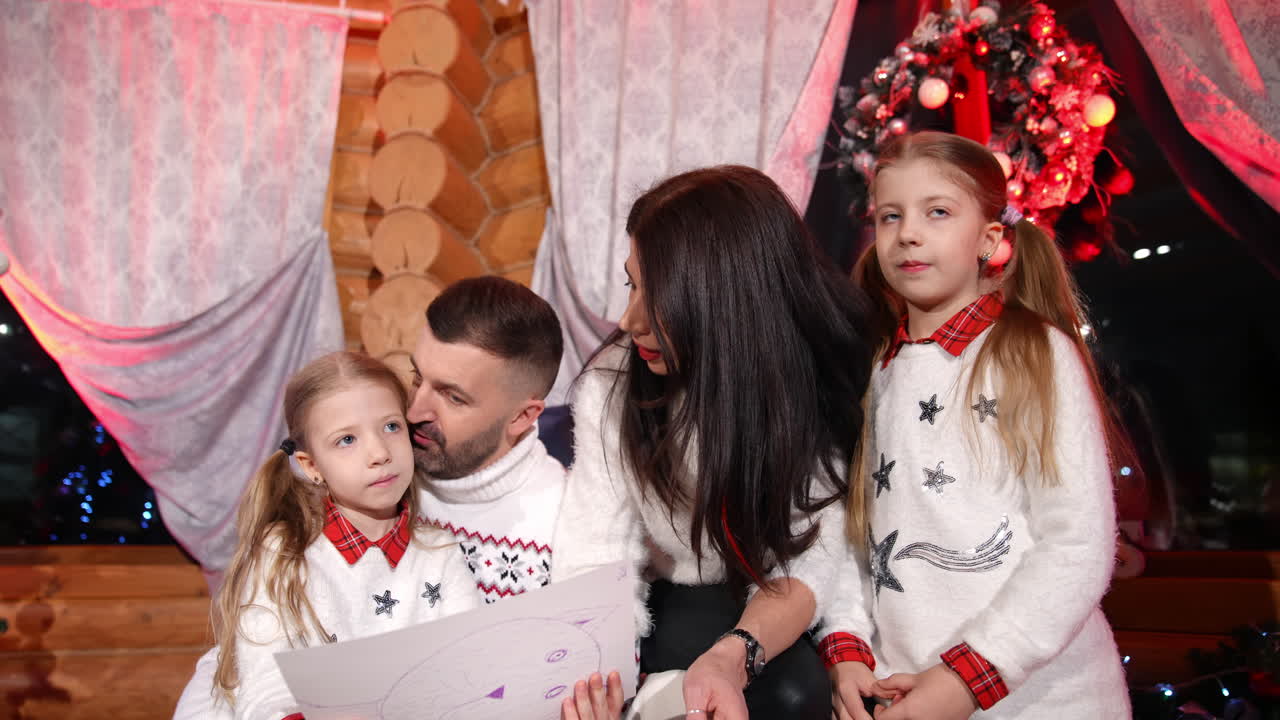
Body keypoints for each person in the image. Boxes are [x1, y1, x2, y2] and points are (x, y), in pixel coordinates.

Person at [821, 131, 1132, 720]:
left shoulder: (1034, 353)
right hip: (900, 696)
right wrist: (848, 651)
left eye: (937, 212)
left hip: (1043, 703)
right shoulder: (870, 372)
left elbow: (1077, 544)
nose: (908, 232)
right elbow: (853, 539)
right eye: (891, 216)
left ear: (990, 239)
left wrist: (967, 679)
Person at [553, 165, 874, 719]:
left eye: (662, 297)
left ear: (727, 300)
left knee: (795, 692)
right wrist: (595, 679)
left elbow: (808, 563)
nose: (629, 321)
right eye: (632, 284)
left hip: (764, 598)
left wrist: (734, 657)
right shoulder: (610, 387)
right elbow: (594, 553)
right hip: (667, 598)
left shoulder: (808, 389)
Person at [212, 351, 479, 718]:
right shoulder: (283, 553)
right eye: (347, 440)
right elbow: (266, 686)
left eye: (390, 427)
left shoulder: (440, 551)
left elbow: (470, 664)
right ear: (312, 466)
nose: (379, 453)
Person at [409, 276, 568, 602]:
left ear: (521, 417)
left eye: (452, 397)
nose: (414, 412)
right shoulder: (373, 486)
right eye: (416, 378)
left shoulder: (573, 528)